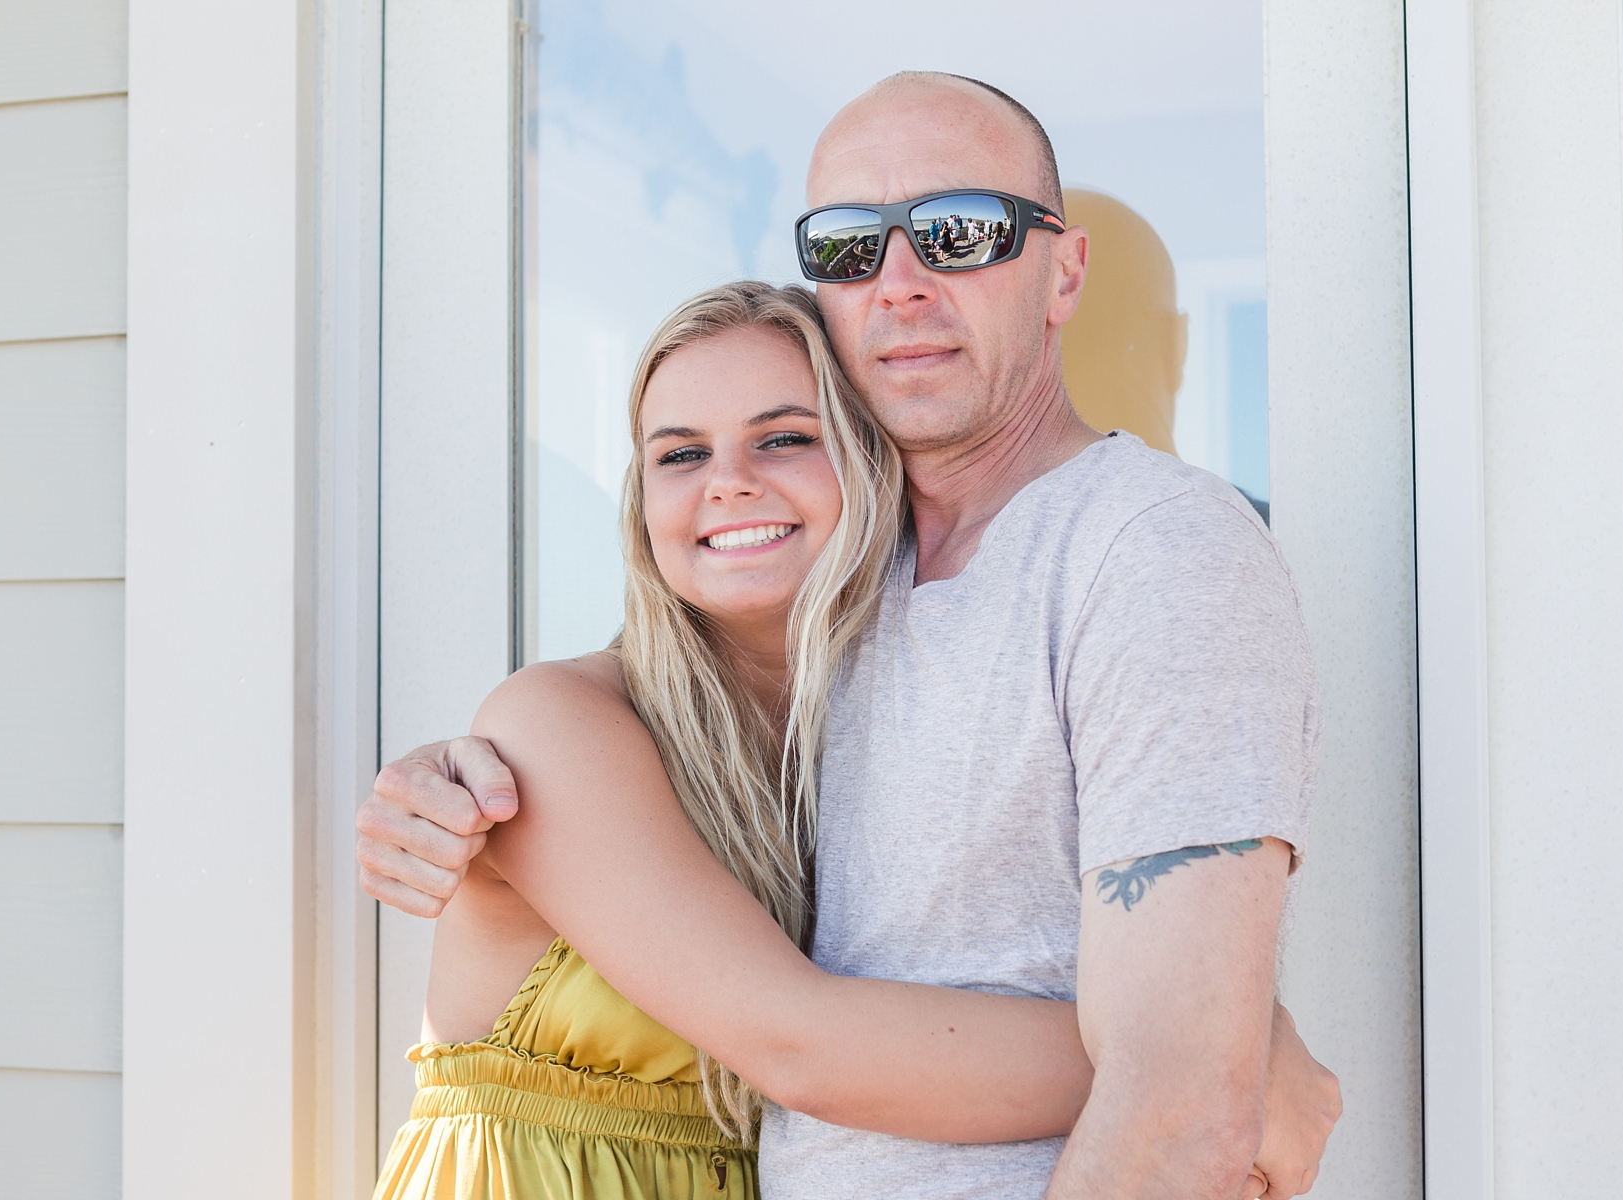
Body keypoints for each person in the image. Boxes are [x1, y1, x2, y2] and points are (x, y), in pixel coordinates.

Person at [360, 71, 1340, 1200]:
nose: (902, 283)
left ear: (1064, 271)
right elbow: (804, 1038)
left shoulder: (1142, 549)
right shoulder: (650, 705)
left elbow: (1161, 1072)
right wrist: (1233, 1054)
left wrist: (1203, 1053)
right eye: (848, 247)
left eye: (959, 232)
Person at [372, 281, 1103, 1200]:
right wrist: (1190, 1054)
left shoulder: (898, 737)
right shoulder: (553, 727)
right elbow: (797, 1044)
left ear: (873, 460)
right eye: (680, 454)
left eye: (787, 437)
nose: (728, 481)